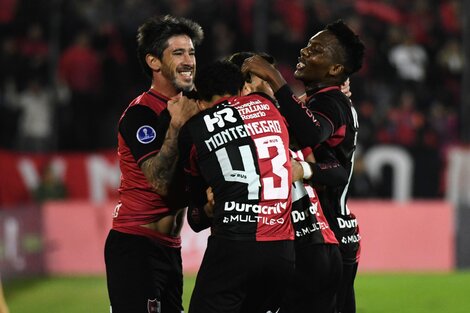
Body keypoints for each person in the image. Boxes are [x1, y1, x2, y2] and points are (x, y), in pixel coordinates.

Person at [242, 20, 365, 313]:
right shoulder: (317, 100)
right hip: (333, 232)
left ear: (335, 70)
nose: (305, 52)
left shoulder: (332, 101)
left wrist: (274, 77)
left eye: (317, 50)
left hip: (327, 233)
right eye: (308, 45)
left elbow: (313, 134)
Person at [230, 51, 345, 313]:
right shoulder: (234, 129)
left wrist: (302, 168)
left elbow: (337, 172)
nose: (273, 86)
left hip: (313, 246)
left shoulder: (288, 126)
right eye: (265, 78)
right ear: (245, 84)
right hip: (279, 249)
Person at [178, 60, 295, 313]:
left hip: (234, 246)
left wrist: (207, 210)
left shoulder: (194, 129)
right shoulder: (269, 107)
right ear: (242, 89)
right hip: (282, 251)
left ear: (200, 99)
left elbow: (197, 219)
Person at [104, 15, 203, 313]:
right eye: (178, 53)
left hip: (170, 249)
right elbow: (158, 181)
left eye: (192, 52)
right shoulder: (140, 114)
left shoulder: (194, 105)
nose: (189, 61)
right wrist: (175, 126)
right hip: (135, 245)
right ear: (154, 61)